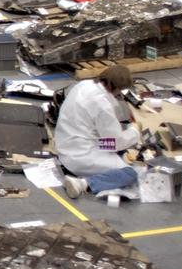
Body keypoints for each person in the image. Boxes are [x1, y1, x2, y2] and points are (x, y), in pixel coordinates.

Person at [56, 65, 142, 199]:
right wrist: (135, 132)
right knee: (130, 173)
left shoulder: (83, 85)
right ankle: (82, 183)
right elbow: (114, 143)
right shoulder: (102, 104)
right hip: (81, 156)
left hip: (65, 144)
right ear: (117, 88)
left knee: (118, 144)